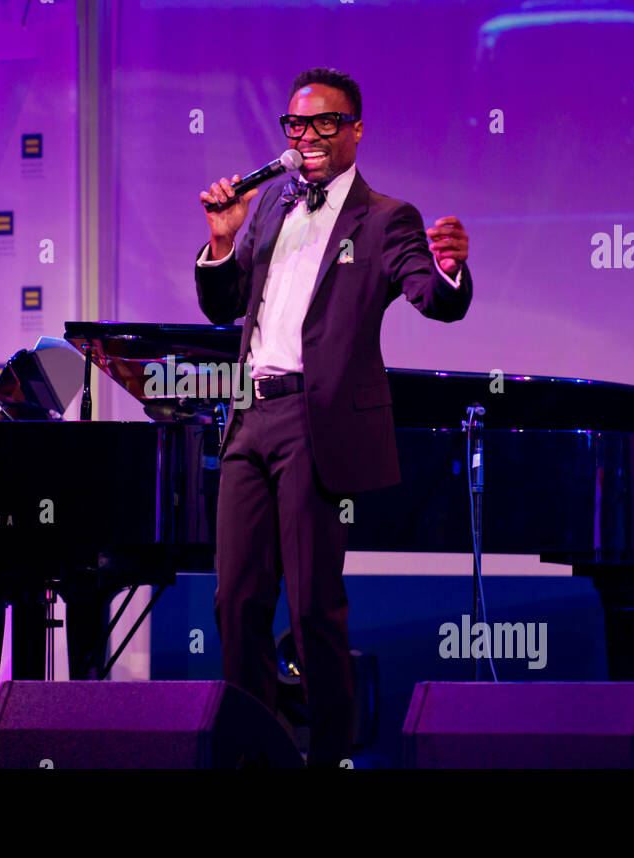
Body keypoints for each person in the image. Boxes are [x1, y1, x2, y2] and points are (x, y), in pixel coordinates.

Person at [195, 68, 473, 767]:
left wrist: (448, 269)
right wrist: (223, 241)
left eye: (325, 123)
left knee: (314, 608)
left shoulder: (386, 218)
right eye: (296, 126)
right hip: (249, 420)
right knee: (236, 602)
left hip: (315, 427)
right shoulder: (265, 208)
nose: (308, 138)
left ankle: (329, 760)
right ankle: (252, 756)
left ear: (355, 129)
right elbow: (222, 306)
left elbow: (432, 297)